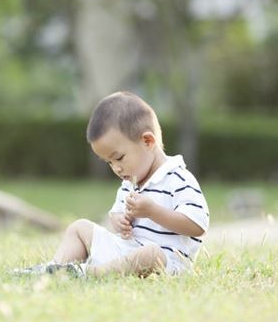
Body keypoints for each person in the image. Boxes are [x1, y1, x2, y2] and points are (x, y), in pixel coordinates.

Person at [14, 91, 209, 278]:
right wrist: (119, 221)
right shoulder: (130, 181)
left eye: (119, 158)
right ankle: (55, 270)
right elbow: (116, 214)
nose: (116, 168)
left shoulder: (178, 178)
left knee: (152, 253)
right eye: (109, 162)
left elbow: (198, 225)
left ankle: (89, 273)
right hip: (126, 252)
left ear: (148, 141)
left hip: (166, 262)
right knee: (79, 227)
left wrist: (152, 212)